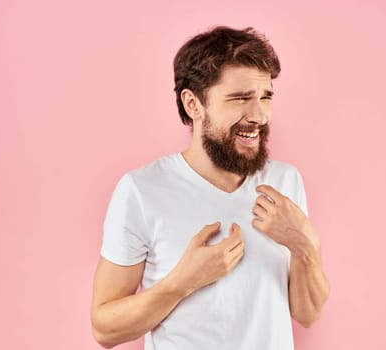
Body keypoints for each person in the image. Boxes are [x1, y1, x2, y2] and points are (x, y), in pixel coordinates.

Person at [91, 26, 329, 350]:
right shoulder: (141, 191)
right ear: (193, 104)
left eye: (266, 97)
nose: (259, 115)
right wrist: (183, 282)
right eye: (240, 98)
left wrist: (305, 245)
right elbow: (105, 329)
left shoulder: (285, 183)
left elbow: (308, 314)